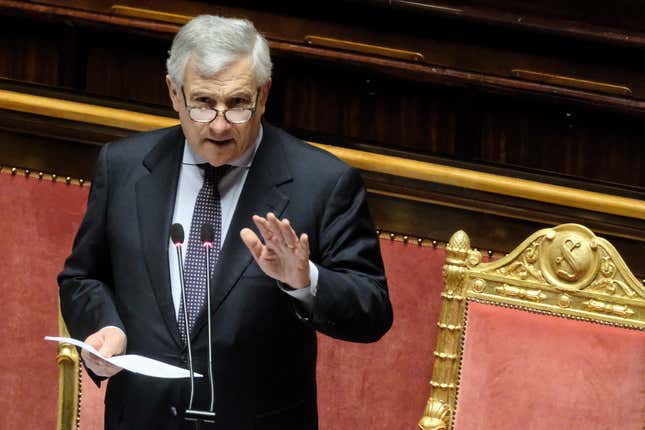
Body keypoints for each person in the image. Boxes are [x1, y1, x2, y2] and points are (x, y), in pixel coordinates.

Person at [58, 14, 392, 430]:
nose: (218, 124)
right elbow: (82, 278)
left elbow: (373, 311)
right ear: (174, 93)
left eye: (237, 104)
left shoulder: (322, 183)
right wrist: (106, 326)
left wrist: (305, 280)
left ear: (264, 94)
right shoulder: (123, 167)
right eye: (202, 103)